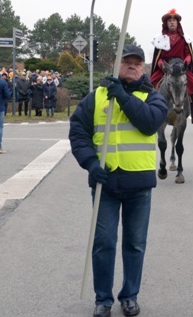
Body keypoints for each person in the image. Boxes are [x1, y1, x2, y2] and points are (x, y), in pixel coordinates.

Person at [69, 44, 168, 317]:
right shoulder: (96, 97)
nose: (132, 66)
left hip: (139, 186)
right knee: (103, 243)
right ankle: (103, 300)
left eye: (137, 63)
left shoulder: (154, 97)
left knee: (135, 244)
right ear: (116, 65)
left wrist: (123, 97)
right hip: (105, 184)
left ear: (144, 68)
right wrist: (90, 163)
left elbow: (149, 123)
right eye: (127, 62)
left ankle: (129, 296)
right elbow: (78, 133)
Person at [150, 8, 193, 124]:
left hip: (181, 67)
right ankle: (150, 111)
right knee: (149, 84)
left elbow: (189, 54)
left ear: (178, 23)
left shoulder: (185, 39)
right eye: (169, 21)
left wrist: (186, 63)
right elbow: (158, 57)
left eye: (174, 20)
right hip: (166, 67)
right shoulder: (160, 40)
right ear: (166, 24)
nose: (172, 22)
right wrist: (161, 65)